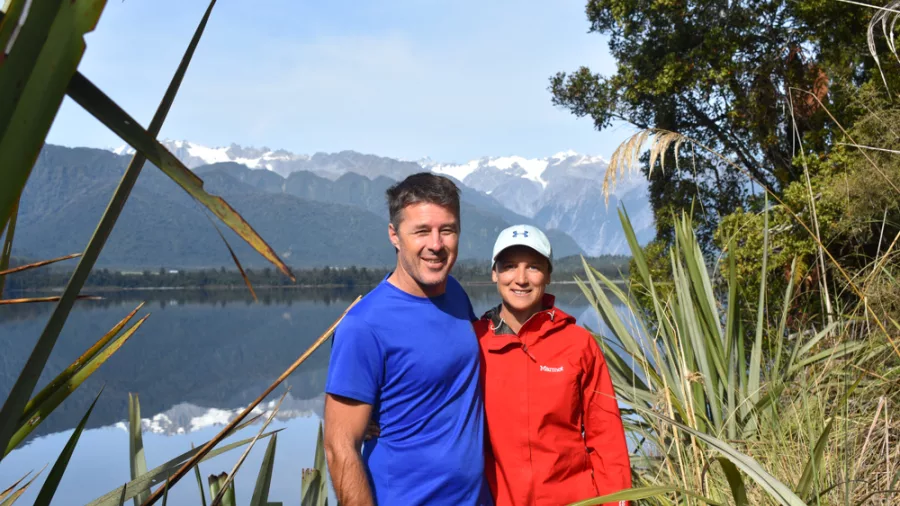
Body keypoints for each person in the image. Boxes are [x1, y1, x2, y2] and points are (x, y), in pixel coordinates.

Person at [323, 173, 492, 506]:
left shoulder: (455, 294)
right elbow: (339, 447)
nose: (436, 244)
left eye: (447, 229)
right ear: (394, 235)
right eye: (421, 231)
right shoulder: (363, 325)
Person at [475, 224, 631, 506]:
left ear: (548, 275)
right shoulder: (473, 342)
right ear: (494, 273)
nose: (521, 279)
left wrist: (617, 502)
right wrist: (378, 415)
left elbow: (606, 438)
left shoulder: (578, 344)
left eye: (533, 267)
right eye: (509, 266)